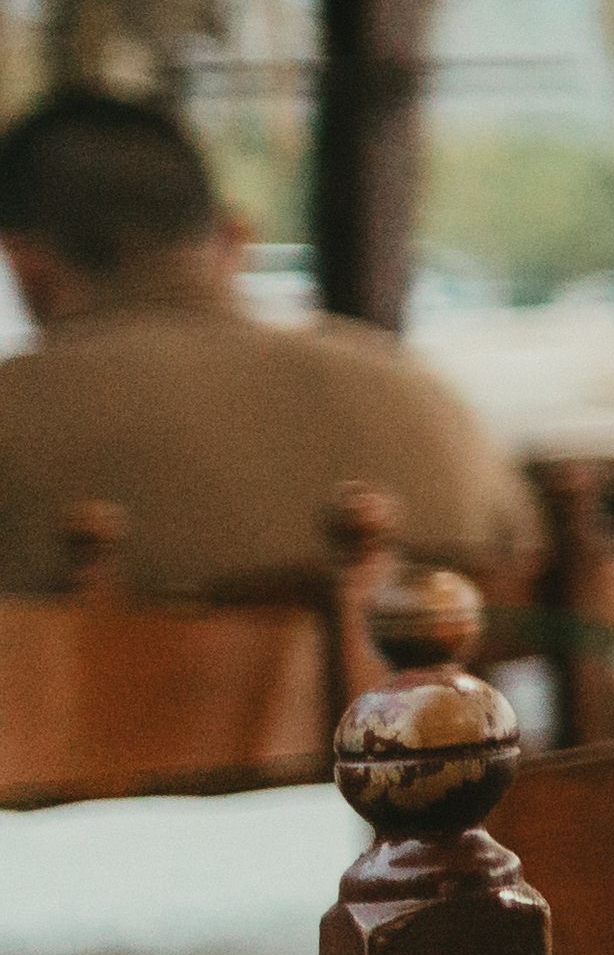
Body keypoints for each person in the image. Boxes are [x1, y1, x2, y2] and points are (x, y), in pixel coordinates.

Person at [0, 89, 533, 599]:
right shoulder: (427, 398)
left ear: (25, 265)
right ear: (233, 238)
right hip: (425, 694)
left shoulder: (17, 413)